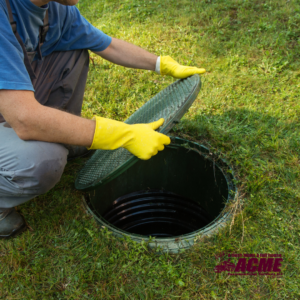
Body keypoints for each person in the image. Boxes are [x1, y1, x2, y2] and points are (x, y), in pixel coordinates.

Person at [0, 0, 206, 238]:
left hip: (12, 102)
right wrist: (120, 134)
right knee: (42, 161)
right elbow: (25, 119)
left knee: (72, 49)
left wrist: (161, 64)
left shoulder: (55, 9)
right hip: (19, 112)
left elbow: (106, 45)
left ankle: (60, 137)